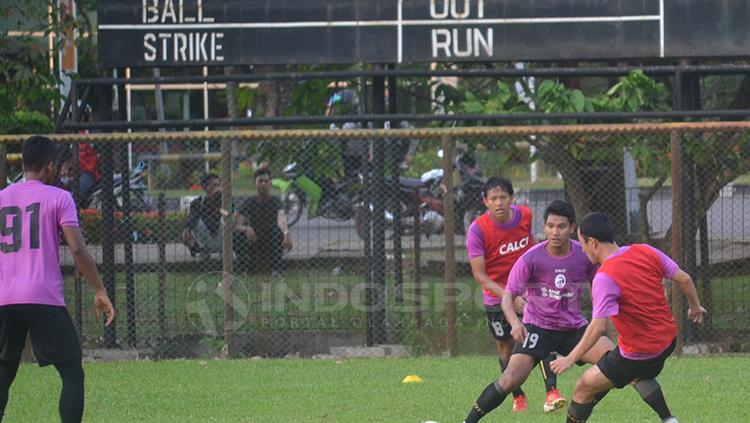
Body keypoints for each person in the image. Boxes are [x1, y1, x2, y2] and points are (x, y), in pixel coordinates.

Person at [462, 200, 615, 422]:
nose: (555, 232)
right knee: (509, 380)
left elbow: (598, 284)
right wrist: (515, 322)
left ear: (572, 227)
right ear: (544, 227)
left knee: (615, 363)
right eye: (550, 226)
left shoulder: (584, 255)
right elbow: (508, 297)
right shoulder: (531, 258)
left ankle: (666, 416)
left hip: (574, 328)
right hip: (537, 328)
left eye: (561, 226)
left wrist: (602, 311)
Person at [550, 212, 708, 423]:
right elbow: (684, 278)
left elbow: (598, 327)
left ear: (593, 242)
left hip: (639, 354)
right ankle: (668, 420)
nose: (583, 249)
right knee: (633, 373)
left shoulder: (604, 277)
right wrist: (695, 307)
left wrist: (571, 358)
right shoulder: (644, 250)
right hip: (667, 342)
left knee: (583, 387)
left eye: (582, 243)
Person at [0, 136, 115, 423]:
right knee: (72, 371)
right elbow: (77, 248)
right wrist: (99, 289)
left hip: (5, 298)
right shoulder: (59, 197)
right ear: (51, 166)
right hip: (43, 297)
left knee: (3, 372)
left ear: (23, 162)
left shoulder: (2, 197)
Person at [464, 176, 562, 413]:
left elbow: (534, 246)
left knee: (542, 338)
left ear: (512, 198)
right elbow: (480, 275)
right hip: (496, 298)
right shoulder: (477, 230)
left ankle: (552, 393)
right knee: (506, 347)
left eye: (503, 197)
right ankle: (517, 395)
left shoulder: (525, 216)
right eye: (493, 198)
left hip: (529, 291)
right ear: (485, 201)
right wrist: (510, 296)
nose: (499, 203)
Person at [234, 168, 293, 275]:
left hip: (271, 239)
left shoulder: (276, 201)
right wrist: (246, 228)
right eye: (260, 181)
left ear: (270, 183)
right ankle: (244, 269)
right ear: (255, 183)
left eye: (266, 181)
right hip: (253, 238)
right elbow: (236, 224)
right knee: (237, 235)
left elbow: (281, 219)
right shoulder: (248, 202)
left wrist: (286, 233)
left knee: (278, 232)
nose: (263, 184)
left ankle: (277, 270)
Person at [182, 173, 223, 260]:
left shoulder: (225, 200)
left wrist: (220, 206)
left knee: (225, 218)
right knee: (194, 222)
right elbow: (193, 218)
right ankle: (203, 251)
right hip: (206, 239)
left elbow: (229, 214)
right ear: (205, 187)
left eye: (218, 185)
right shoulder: (198, 202)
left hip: (222, 238)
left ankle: (225, 252)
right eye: (214, 185)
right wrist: (187, 230)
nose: (217, 188)